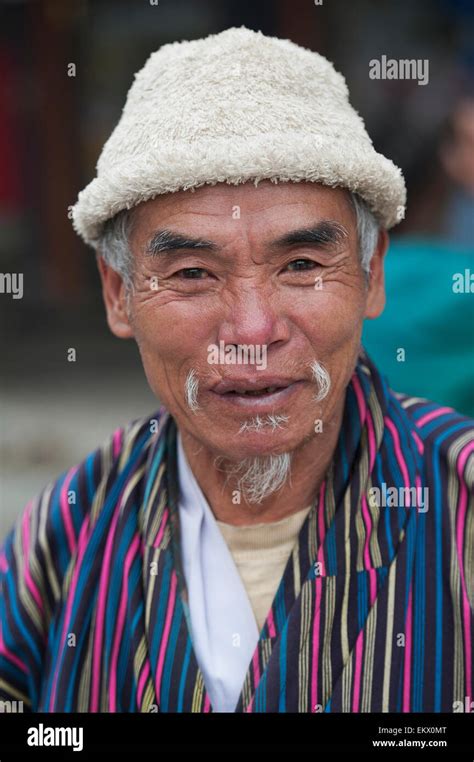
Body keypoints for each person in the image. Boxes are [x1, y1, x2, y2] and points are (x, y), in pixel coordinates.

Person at [0, 27, 472, 714]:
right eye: (192, 273)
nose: (253, 332)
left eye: (302, 266)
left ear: (372, 275)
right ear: (117, 294)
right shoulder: (67, 531)